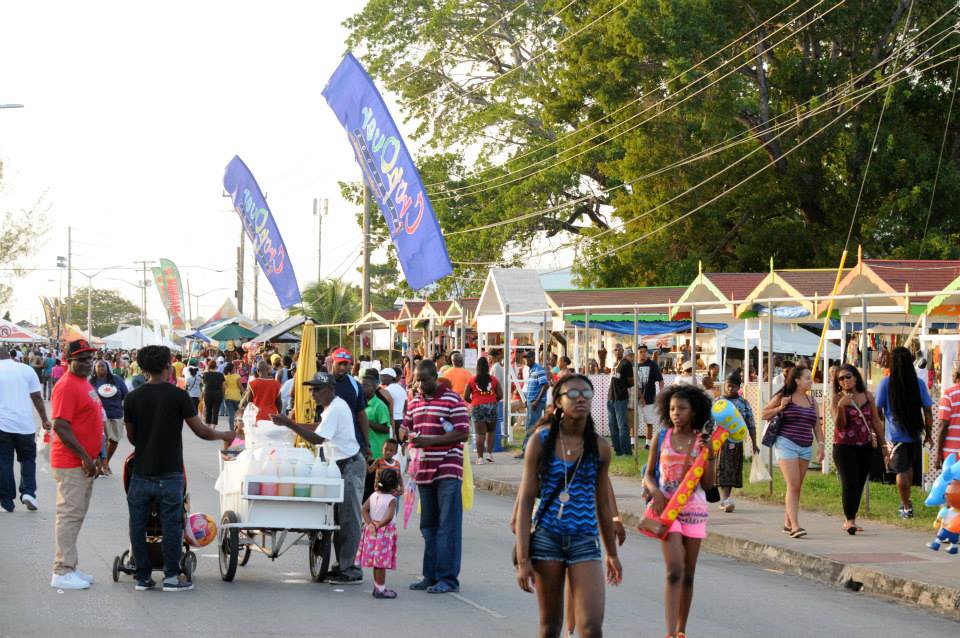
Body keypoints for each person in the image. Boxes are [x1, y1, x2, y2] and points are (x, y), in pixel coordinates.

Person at [515, 374, 622, 637]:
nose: (581, 398)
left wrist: (611, 553)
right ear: (559, 403)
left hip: (585, 540)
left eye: (586, 393)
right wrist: (522, 558)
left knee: (591, 626)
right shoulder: (541, 440)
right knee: (550, 625)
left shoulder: (600, 447)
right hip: (547, 539)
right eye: (573, 394)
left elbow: (602, 503)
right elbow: (527, 499)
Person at [123, 346, 233, 592]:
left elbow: (132, 438)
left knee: (137, 526)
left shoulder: (132, 398)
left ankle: (143, 577)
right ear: (168, 368)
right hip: (170, 473)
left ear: (142, 368)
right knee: (172, 525)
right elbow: (202, 432)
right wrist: (226, 434)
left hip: (140, 474)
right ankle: (172, 577)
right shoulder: (178, 396)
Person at [272, 371, 366, 586]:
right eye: (311, 389)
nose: (313, 393)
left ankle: (350, 569)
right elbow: (319, 429)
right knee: (338, 520)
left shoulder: (336, 408)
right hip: (339, 466)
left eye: (317, 389)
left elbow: (316, 439)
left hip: (350, 465)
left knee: (348, 520)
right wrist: (291, 424)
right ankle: (342, 565)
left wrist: (290, 424)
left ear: (330, 390)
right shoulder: (331, 408)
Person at [643, 384, 715, 638]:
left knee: (688, 573)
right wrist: (656, 492)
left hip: (694, 511)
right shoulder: (661, 437)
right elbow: (648, 475)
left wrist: (710, 456)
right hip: (667, 511)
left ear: (694, 412)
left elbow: (707, 485)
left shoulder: (701, 441)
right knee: (675, 570)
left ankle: (681, 629)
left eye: (682, 409)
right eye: (672, 408)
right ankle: (670, 632)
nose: (676, 413)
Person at [403, 359, 470, 594]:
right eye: (416, 380)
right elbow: (407, 426)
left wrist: (430, 441)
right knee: (428, 526)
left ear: (435, 377)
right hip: (423, 470)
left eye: (424, 380)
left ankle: (448, 578)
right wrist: (404, 434)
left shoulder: (453, 400)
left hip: (448, 467)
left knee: (447, 525)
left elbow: (463, 433)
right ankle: (429, 575)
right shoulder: (414, 402)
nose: (419, 385)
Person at [49, 339, 104, 590]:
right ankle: (61, 570)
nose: (87, 363)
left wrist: (97, 456)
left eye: (89, 358)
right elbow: (60, 424)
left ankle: (70, 565)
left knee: (76, 515)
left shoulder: (83, 383)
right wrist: (83, 456)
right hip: (71, 462)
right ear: (68, 361)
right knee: (69, 516)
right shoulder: (66, 386)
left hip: (85, 461)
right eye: (81, 359)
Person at [761, 366, 823, 538]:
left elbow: (817, 426)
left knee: (797, 487)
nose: (811, 381)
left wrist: (822, 445)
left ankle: (788, 523)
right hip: (786, 443)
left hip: (805, 446)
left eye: (811, 378)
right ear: (797, 380)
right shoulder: (784, 396)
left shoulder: (812, 401)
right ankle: (795, 526)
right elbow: (764, 414)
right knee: (793, 485)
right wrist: (780, 408)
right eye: (807, 378)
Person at [875, 346, 933, 518]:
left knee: (901, 471)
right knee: (907, 469)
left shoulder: (886, 382)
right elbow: (928, 411)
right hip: (915, 433)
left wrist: (884, 418)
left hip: (895, 435)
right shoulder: (919, 383)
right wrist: (928, 433)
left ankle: (906, 506)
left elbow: (878, 408)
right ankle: (906, 502)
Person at [831, 364, 889, 534]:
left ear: (856, 378)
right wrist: (842, 407)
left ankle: (852, 519)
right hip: (844, 446)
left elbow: (876, 422)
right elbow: (840, 425)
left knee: (860, 483)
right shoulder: (837, 399)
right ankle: (849, 520)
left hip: (865, 446)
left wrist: (884, 445)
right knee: (850, 482)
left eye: (848, 376)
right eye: (840, 378)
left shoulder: (867, 396)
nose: (844, 380)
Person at [0, 346, 52, 512]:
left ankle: (7, 500)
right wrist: (44, 419)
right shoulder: (26, 370)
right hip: (25, 426)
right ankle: (29, 493)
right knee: (28, 460)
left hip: (2, 426)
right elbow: (36, 396)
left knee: (4, 463)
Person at [715, 372, 758, 513]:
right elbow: (709, 422)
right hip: (719, 442)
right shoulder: (718, 402)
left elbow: (750, 423)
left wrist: (754, 443)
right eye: (728, 386)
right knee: (721, 469)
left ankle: (726, 498)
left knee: (732, 469)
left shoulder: (744, 403)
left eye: (733, 386)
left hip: (736, 441)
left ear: (738, 387)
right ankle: (724, 499)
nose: (730, 389)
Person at [357, 468, 400, 599]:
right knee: (381, 564)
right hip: (383, 534)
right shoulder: (392, 499)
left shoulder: (373, 495)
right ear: (395, 486)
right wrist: (379, 526)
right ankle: (381, 589)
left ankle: (377, 586)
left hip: (372, 532)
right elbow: (389, 516)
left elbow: (363, 509)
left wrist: (370, 523)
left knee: (377, 563)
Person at [89, 359, 128, 476]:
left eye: (104, 366)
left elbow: (126, 394)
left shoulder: (116, 380)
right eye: (99, 366)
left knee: (114, 441)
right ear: (95, 369)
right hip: (99, 417)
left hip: (116, 414)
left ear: (107, 368)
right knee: (102, 441)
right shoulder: (91, 382)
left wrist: (126, 411)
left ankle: (106, 462)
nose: (102, 368)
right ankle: (101, 465)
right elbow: (89, 398)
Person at [465, 355, 502, 464]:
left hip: (477, 407)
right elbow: (500, 394)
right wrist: (494, 400)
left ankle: (480, 458)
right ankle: (490, 454)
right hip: (492, 406)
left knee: (480, 434)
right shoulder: (493, 379)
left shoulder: (472, 380)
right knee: (491, 431)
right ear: (488, 367)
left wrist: (474, 401)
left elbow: (466, 396)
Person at [362, 375, 392, 502]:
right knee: (364, 490)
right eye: (361, 385)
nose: (363, 388)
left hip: (376, 453)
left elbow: (386, 428)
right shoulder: (361, 404)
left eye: (366, 386)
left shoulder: (379, 406)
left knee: (373, 491)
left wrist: (366, 422)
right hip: (364, 453)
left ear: (375, 388)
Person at [518, 350, 548, 458]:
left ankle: (526, 451)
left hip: (536, 403)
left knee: (530, 426)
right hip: (531, 401)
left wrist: (536, 400)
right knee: (530, 426)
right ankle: (530, 450)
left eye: (528, 358)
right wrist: (527, 400)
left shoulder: (538, 369)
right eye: (525, 358)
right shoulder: (530, 370)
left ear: (533, 358)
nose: (526, 360)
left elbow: (545, 385)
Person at [606, 344, 634, 456]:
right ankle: (618, 450)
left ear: (623, 351)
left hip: (621, 398)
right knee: (612, 424)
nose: (617, 351)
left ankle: (626, 451)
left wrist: (622, 385)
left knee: (622, 425)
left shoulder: (626, 364)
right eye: (615, 349)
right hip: (611, 398)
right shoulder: (614, 364)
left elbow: (631, 381)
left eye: (619, 349)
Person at [635, 344, 664, 451]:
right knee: (634, 422)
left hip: (650, 398)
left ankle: (648, 444)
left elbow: (660, 380)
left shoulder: (652, 364)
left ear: (647, 353)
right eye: (640, 352)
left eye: (644, 351)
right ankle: (633, 443)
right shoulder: (634, 365)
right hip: (635, 399)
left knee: (649, 422)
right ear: (637, 353)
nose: (642, 354)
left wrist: (662, 394)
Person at [936, 367, 960, 467]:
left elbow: (943, 424)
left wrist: (938, 452)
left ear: (956, 375)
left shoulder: (949, 394)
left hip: (952, 453)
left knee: (951, 482)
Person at [380, 367, 407, 440]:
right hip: (400, 420)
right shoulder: (402, 389)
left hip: (391, 421)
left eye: (383, 376)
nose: (381, 379)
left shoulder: (387, 390)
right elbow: (405, 408)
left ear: (390, 377)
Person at [201, 358, 225, 427]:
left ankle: (208, 426)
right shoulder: (220, 375)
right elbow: (223, 386)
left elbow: (203, 383)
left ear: (208, 365)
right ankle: (213, 428)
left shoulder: (205, 374)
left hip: (208, 394)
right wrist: (222, 393)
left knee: (208, 410)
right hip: (218, 394)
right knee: (216, 411)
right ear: (216, 366)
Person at [222, 362, 242, 427]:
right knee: (238, 414)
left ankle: (231, 430)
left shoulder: (224, 377)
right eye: (234, 368)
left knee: (231, 414)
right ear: (232, 369)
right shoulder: (237, 376)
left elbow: (224, 388)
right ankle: (237, 427)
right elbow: (240, 386)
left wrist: (223, 396)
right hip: (236, 397)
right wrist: (244, 393)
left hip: (227, 396)